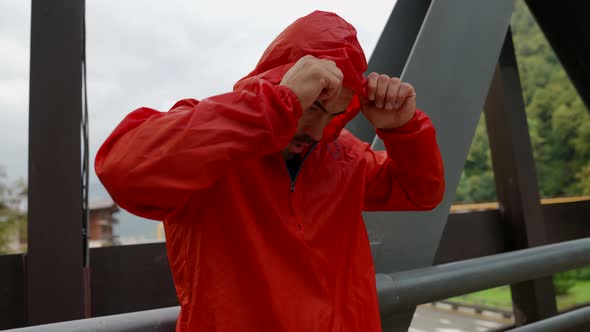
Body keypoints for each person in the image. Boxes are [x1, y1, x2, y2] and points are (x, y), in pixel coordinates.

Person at [96, 10, 444, 332]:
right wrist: (275, 105)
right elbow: (121, 170)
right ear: (282, 80)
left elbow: (421, 192)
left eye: (334, 115)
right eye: (314, 104)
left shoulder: (345, 156)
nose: (317, 129)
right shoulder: (213, 143)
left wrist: (404, 130)